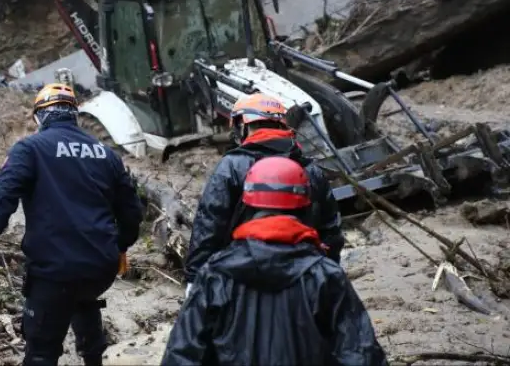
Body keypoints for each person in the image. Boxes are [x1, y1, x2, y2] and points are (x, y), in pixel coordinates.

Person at [0, 83, 144, 366]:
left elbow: (1, 199)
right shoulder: (105, 153)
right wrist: (122, 246)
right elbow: (132, 211)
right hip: (102, 266)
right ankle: (93, 353)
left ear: (40, 117)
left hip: (55, 271)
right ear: (73, 114)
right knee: (83, 295)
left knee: (41, 350)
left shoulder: (30, 148)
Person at [161, 157, 387, 365]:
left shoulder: (215, 275)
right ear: (305, 206)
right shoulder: (325, 276)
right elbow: (361, 355)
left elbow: (182, 356)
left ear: (247, 206)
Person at [184, 93, 344, 296]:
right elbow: (330, 229)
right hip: (303, 277)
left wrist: (194, 277)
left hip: (242, 279)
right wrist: (327, 272)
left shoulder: (231, 167)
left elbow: (209, 225)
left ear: (243, 126)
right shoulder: (310, 169)